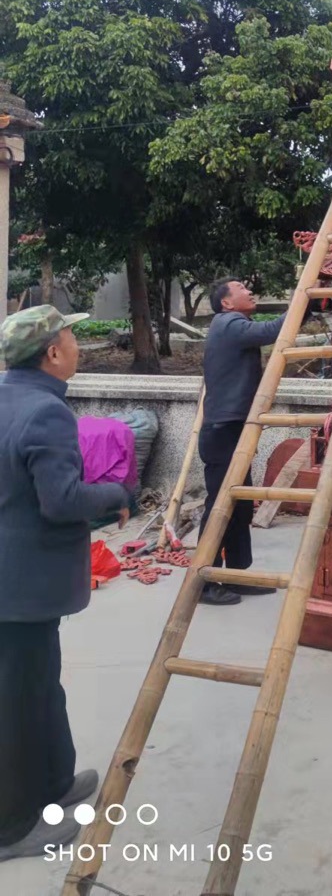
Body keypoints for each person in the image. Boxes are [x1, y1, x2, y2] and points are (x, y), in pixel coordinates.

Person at [0, 306, 131, 860]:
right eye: (73, 335)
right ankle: (11, 828)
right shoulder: (46, 414)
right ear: (53, 352)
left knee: (41, 688)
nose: (78, 344)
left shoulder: (10, 398)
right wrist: (116, 494)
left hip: (18, 585)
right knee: (17, 703)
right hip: (19, 590)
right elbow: (61, 502)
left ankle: (54, 785)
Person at [197, 278, 286, 606]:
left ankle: (237, 574)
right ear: (227, 303)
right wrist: (304, 300)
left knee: (240, 505)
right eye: (240, 288)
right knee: (220, 507)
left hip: (233, 430)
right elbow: (271, 331)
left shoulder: (234, 323)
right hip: (222, 433)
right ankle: (204, 581)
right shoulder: (228, 324)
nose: (249, 289)